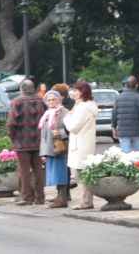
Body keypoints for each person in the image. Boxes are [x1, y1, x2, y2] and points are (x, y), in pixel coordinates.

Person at [6, 79, 45, 206]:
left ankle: (26, 197)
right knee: (38, 169)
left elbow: (11, 122)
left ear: (21, 89)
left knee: (23, 171)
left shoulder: (17, 101)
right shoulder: (41, 100)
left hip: (22, 141)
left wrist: (12, 136)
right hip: (38, 141)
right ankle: (40, 197)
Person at [63, 80, 98, 210]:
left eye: (76, 90)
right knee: (83, 172)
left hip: (82, 144)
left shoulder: (83, 107)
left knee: (84, 173)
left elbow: (73, 127)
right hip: (82, 143)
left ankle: (86, 201)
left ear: (83, 92)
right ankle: (85, 200)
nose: (73, 93)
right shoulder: (81, 105)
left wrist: (67, 118)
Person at [39, 91, 69, 208]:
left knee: (60, 172)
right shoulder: (47, 113)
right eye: (49, 100)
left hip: (58, 147)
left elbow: (69, 128)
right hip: (50, 147)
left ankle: (62, 199)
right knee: (54, 173)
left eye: (54, 99)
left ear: (59, 100)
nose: (51, 102)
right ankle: (59, 197)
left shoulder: (64, 112)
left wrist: (60, 132)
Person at [49, 83, 76, 203]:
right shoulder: (72, 103)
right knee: (66, 166)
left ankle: (63, 194)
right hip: (68, 139)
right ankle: (65, 193)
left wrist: (60, 133)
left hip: (62, 139)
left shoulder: (63, 107)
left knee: (62, 166)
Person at [111, 76, 139, 153]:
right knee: (138, 154)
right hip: (137, 131)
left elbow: (114, 114)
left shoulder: (118, 98)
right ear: (136, 86)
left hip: (123, 130)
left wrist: (114, 129)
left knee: (125, 154)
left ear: (126, 85)